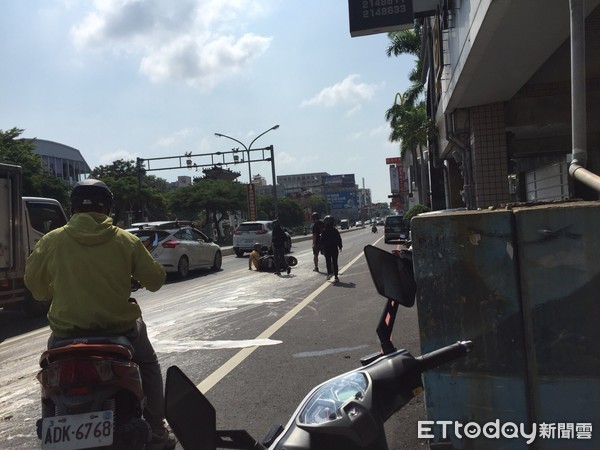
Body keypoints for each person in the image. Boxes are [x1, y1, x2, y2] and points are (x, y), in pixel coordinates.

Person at [24, 179, 175, 450]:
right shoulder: (125, 240)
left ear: (73, 208)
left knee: (49, 376)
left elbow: (35, 286)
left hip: (64, 336)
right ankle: (155, 429)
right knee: (149, 365)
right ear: (107, 207)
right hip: (120, 331)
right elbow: (155, 281)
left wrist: (50, 291)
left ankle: (52, 419)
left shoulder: (52, 240)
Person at [320, 215, 343, 282]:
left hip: (327, 249)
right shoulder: (335, 230)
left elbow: (322, 241)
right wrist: (340, 246)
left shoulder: (324, 231)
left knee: (328, 262)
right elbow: (339, 239)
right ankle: (336, 276)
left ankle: (329, 273)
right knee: (335, 262)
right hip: (334, 248)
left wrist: (322, 249)